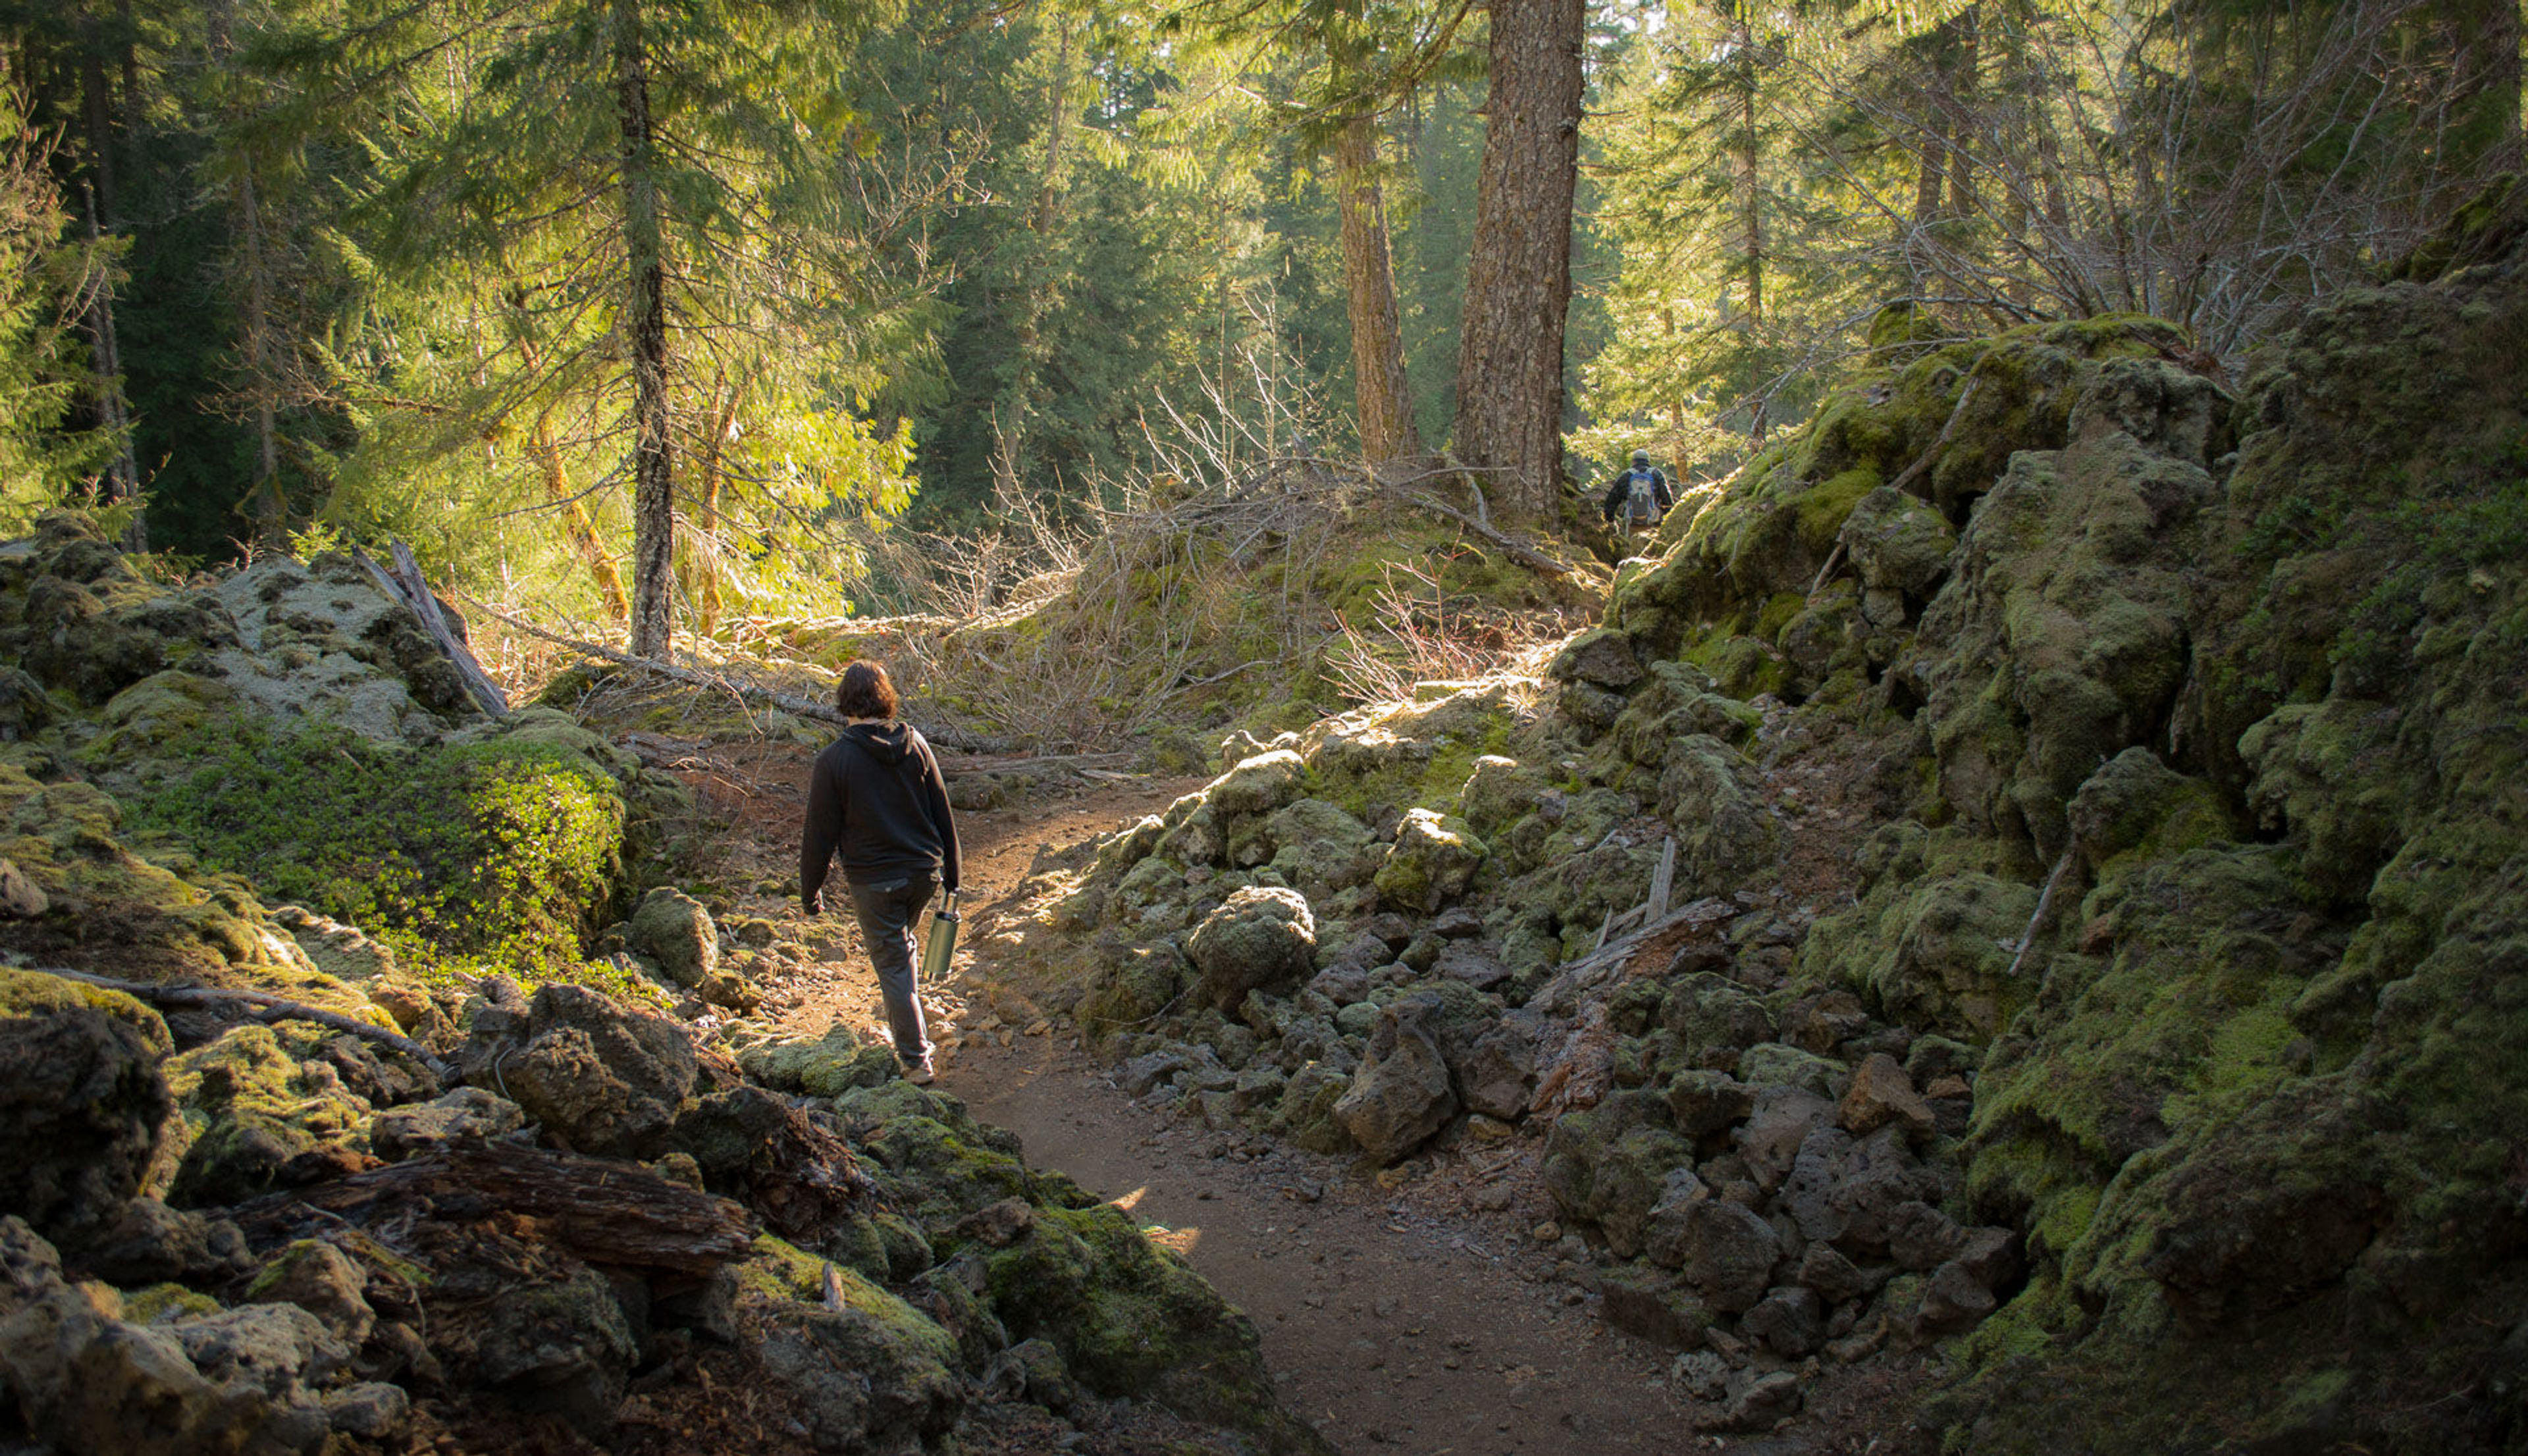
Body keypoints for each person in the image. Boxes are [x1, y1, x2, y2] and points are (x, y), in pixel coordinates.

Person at [800, 660, 959, 1085]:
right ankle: (914, 1033)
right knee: (899, 952)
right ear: (885, 698)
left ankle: (915, 1060)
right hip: (924, 874)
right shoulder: (917, 744)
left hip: (874, 880)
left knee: (891, 963)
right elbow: (943, 813)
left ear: (845, 702)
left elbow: (819, 833)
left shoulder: (833, 761)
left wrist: (809, 890)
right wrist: (953, 878)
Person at [1600, 449, 1676, 538]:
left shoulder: (1627, 475)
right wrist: (1669, 514)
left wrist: (1610, 518)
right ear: (1648, 461)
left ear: (1633, 461)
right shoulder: (1656, 474)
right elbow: (1666, 497)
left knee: (1633, 546)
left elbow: (1613, 498)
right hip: (1654, 520)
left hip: (1633, 521)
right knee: (1652, 546)